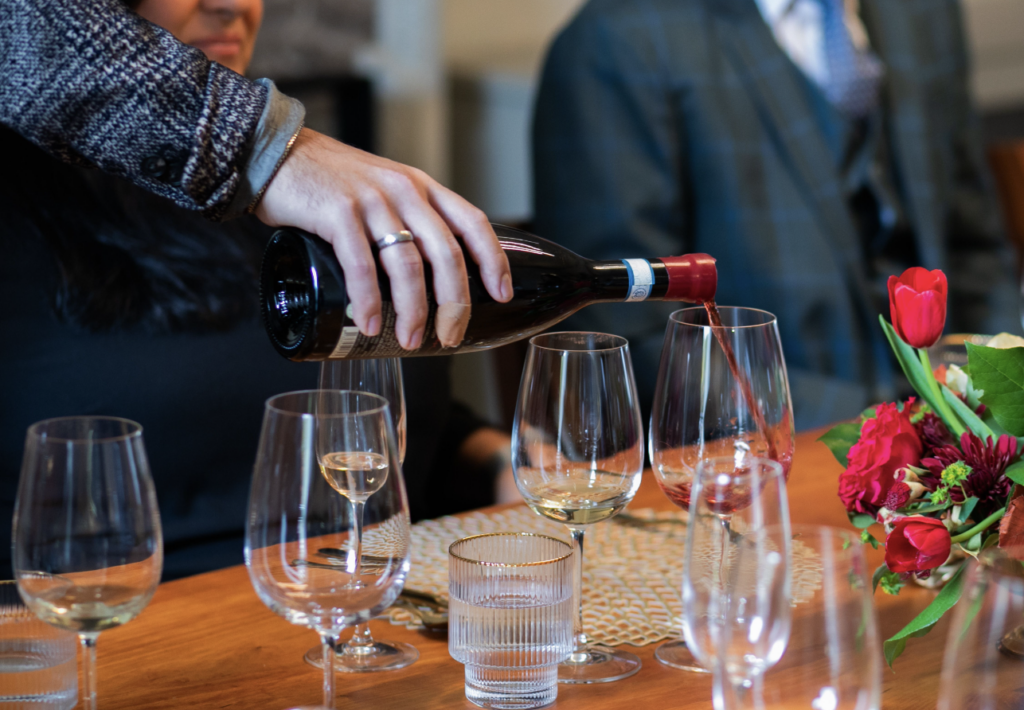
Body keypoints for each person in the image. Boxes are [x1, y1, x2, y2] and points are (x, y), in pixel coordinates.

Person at [0, 0, 515, 581]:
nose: (233, 5)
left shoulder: (308, 196)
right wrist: (264, 147)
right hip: (139, 642)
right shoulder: (23, 224)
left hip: (372, 608)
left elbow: (396, 418)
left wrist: (494, 457)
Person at [532, 0, 1018, 430]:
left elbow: (974, 245)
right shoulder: (616, 39)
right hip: (772, 456)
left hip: (962, 443)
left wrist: (1000, 388)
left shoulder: (924, 11)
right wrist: (877, 430)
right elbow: (625, 333)